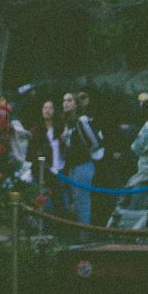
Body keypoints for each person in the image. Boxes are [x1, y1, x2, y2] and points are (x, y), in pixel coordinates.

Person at [60, 92, 104, 225]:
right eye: (64, 100)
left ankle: (84, 233)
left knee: (82, 199)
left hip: (83, 164)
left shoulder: (82, 121)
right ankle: (79, 229)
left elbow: (95, 141)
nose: (66, 103)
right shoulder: (68, 124)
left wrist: (83, 152)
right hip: (72, 166)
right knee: (75, 198)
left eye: (69, 100)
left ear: (76, 104)